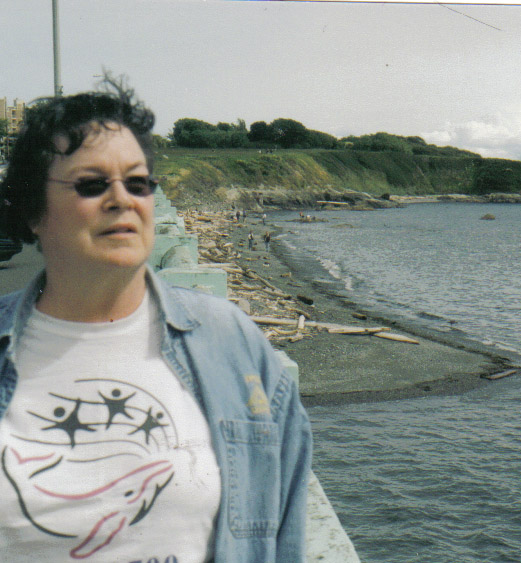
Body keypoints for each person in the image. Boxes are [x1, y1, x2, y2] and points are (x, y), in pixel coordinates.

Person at [0, 78, 311, 562]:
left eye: (138, 183)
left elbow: (284, 529)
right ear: (33, 211)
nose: (121, 198)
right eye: (92, 184)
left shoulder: (231, 343)